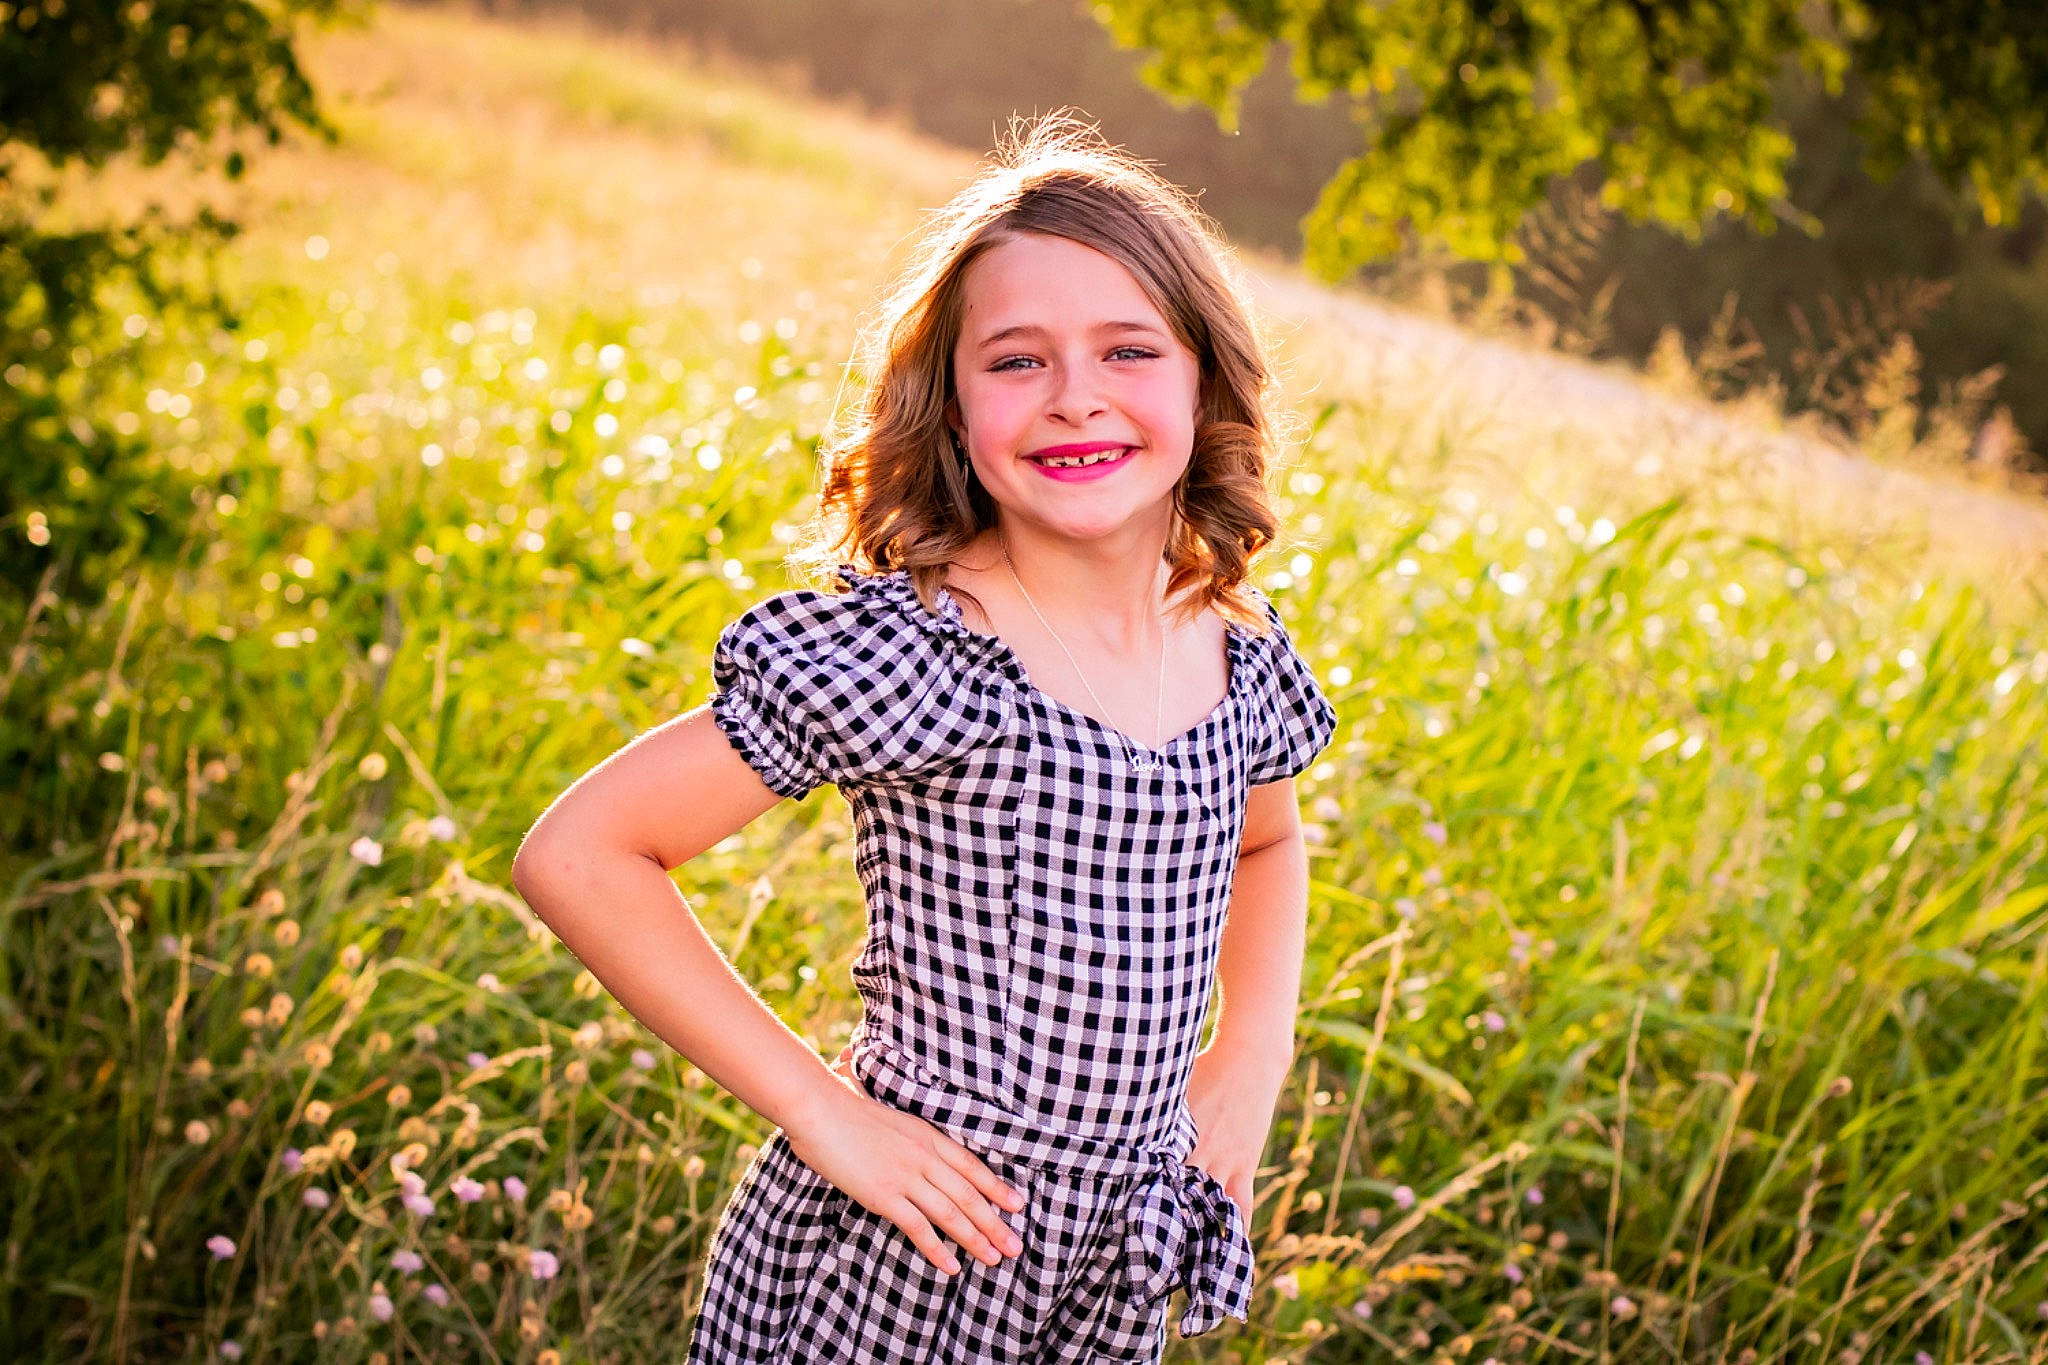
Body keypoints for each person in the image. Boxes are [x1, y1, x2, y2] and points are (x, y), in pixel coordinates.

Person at [511, 109, 1339, 1364]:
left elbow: (1264, 848)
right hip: (911, 1251)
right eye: (1015, 362)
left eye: (1127, 351)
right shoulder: (917, 654)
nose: (1075, 401)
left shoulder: (1234, 649)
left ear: (1204, 382)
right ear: (951, 411)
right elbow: (579, 855)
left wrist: (1250, 1052)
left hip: (1108, 1270)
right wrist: (819, 1111)